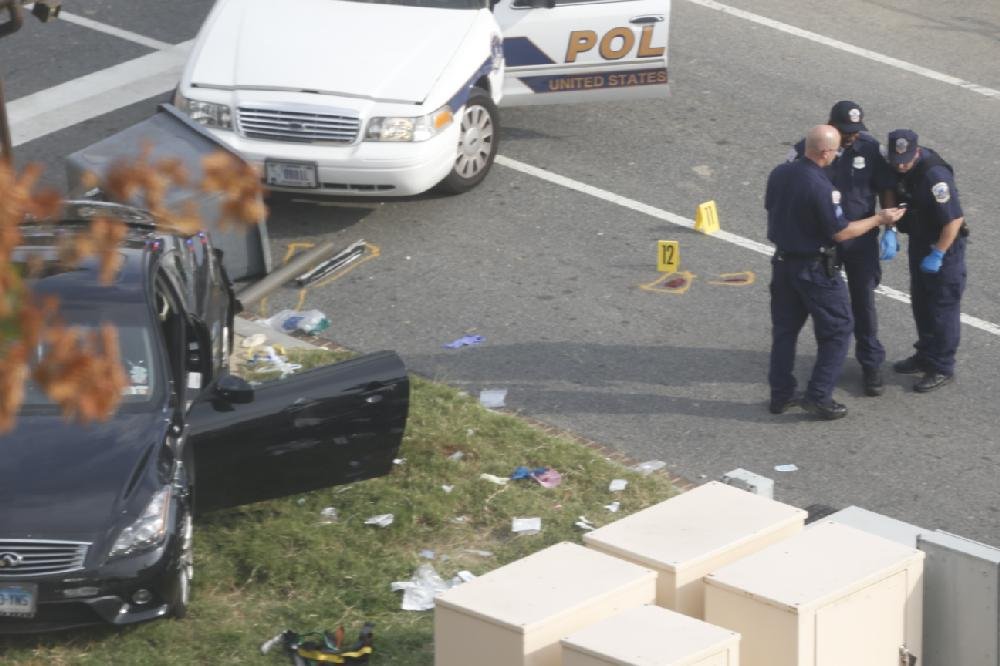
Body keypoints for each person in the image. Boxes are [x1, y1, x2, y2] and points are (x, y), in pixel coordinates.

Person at [767, 125, 904, 420]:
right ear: (826, 152)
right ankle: (819, 395)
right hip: (814, 268)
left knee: (784, 332)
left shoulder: (779, 173)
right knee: (839, 328)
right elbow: (841, 233)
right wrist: (879, 219)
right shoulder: (822, 188)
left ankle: (780, 394)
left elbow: (771, 206)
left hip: (782, 264)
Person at [787, 101, 896, 397]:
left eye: (855, 131)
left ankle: (871, 364)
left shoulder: (871, 148)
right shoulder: (809, 147)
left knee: (864, 303)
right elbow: (791, 184)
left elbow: (885, 185)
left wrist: (890, 227)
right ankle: (829, 364)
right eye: (846, 132)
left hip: (861, 239)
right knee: (825, 307)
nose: (851, 137)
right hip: (824, 243)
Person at [886, 129, 967, 392]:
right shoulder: (897, 167)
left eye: (905, 161)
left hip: (943, 244)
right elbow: (890, 190)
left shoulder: (935, 177)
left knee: (942, 306)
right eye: (896, 161)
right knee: (921, 300)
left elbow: (954, 220)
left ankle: (942, 366)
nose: (900, 165)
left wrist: (939, 253)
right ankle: (926, 353)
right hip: (921, 240)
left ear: (916, 152)